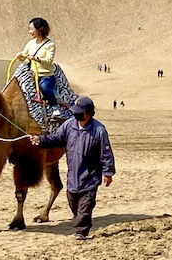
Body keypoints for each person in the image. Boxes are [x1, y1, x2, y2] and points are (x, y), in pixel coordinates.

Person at [29, 97, 115, 241]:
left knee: (85, 205)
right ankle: (82, 220)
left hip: (90, 177)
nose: (76, 115)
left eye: (79, 112)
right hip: (73, 176)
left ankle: (81, 233)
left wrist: (108, 172)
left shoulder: (99, 130)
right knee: (73, 202)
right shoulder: (69, 125)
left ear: (88, 113)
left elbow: (106, 153)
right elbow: (56, 139)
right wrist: (40, 140)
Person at [17, 18, 58, 111]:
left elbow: (49, 60)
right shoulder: (30, 43)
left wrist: (37, 59)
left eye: (31, 29)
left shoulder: (50, 45)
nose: (29, 31)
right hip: (32, 75)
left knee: (45, 88)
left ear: (40, 30)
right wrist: (20, 56)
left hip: (45, 76)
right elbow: (24, 56)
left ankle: (55, 108)